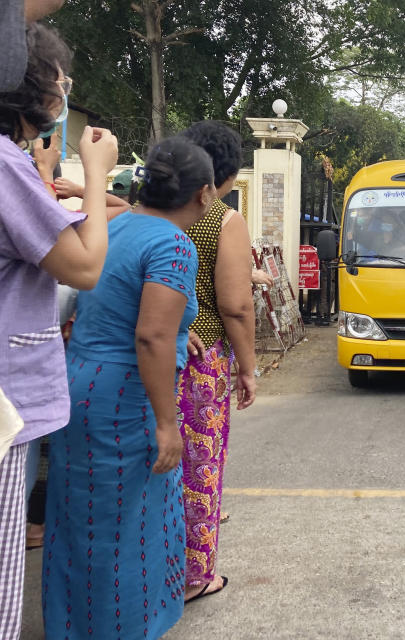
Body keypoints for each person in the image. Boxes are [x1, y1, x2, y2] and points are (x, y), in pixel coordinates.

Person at [42, 137, 214, 639]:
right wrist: (166, 424)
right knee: (128, 529)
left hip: (78, 382)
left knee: (80, 521)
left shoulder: (115, 226)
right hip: (125, 399)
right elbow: (152, 335)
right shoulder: (174, 244)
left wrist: (186, 329)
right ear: (203, 194)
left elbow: (119, 302)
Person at [0, 24, 116, 638]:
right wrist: (96, 172)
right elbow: (86, 264)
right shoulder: (3, 164)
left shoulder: (15, 164)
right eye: (59, 81)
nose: (64, 92)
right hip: (7, 402)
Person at [178, 120, 257, 603]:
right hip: (201, 359)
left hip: (150, 351)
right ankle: (195, 577)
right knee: (200, 470)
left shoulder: (156, 213)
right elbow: (236, 305)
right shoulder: (222, 219)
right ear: (228, 174)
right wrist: (247, 366)